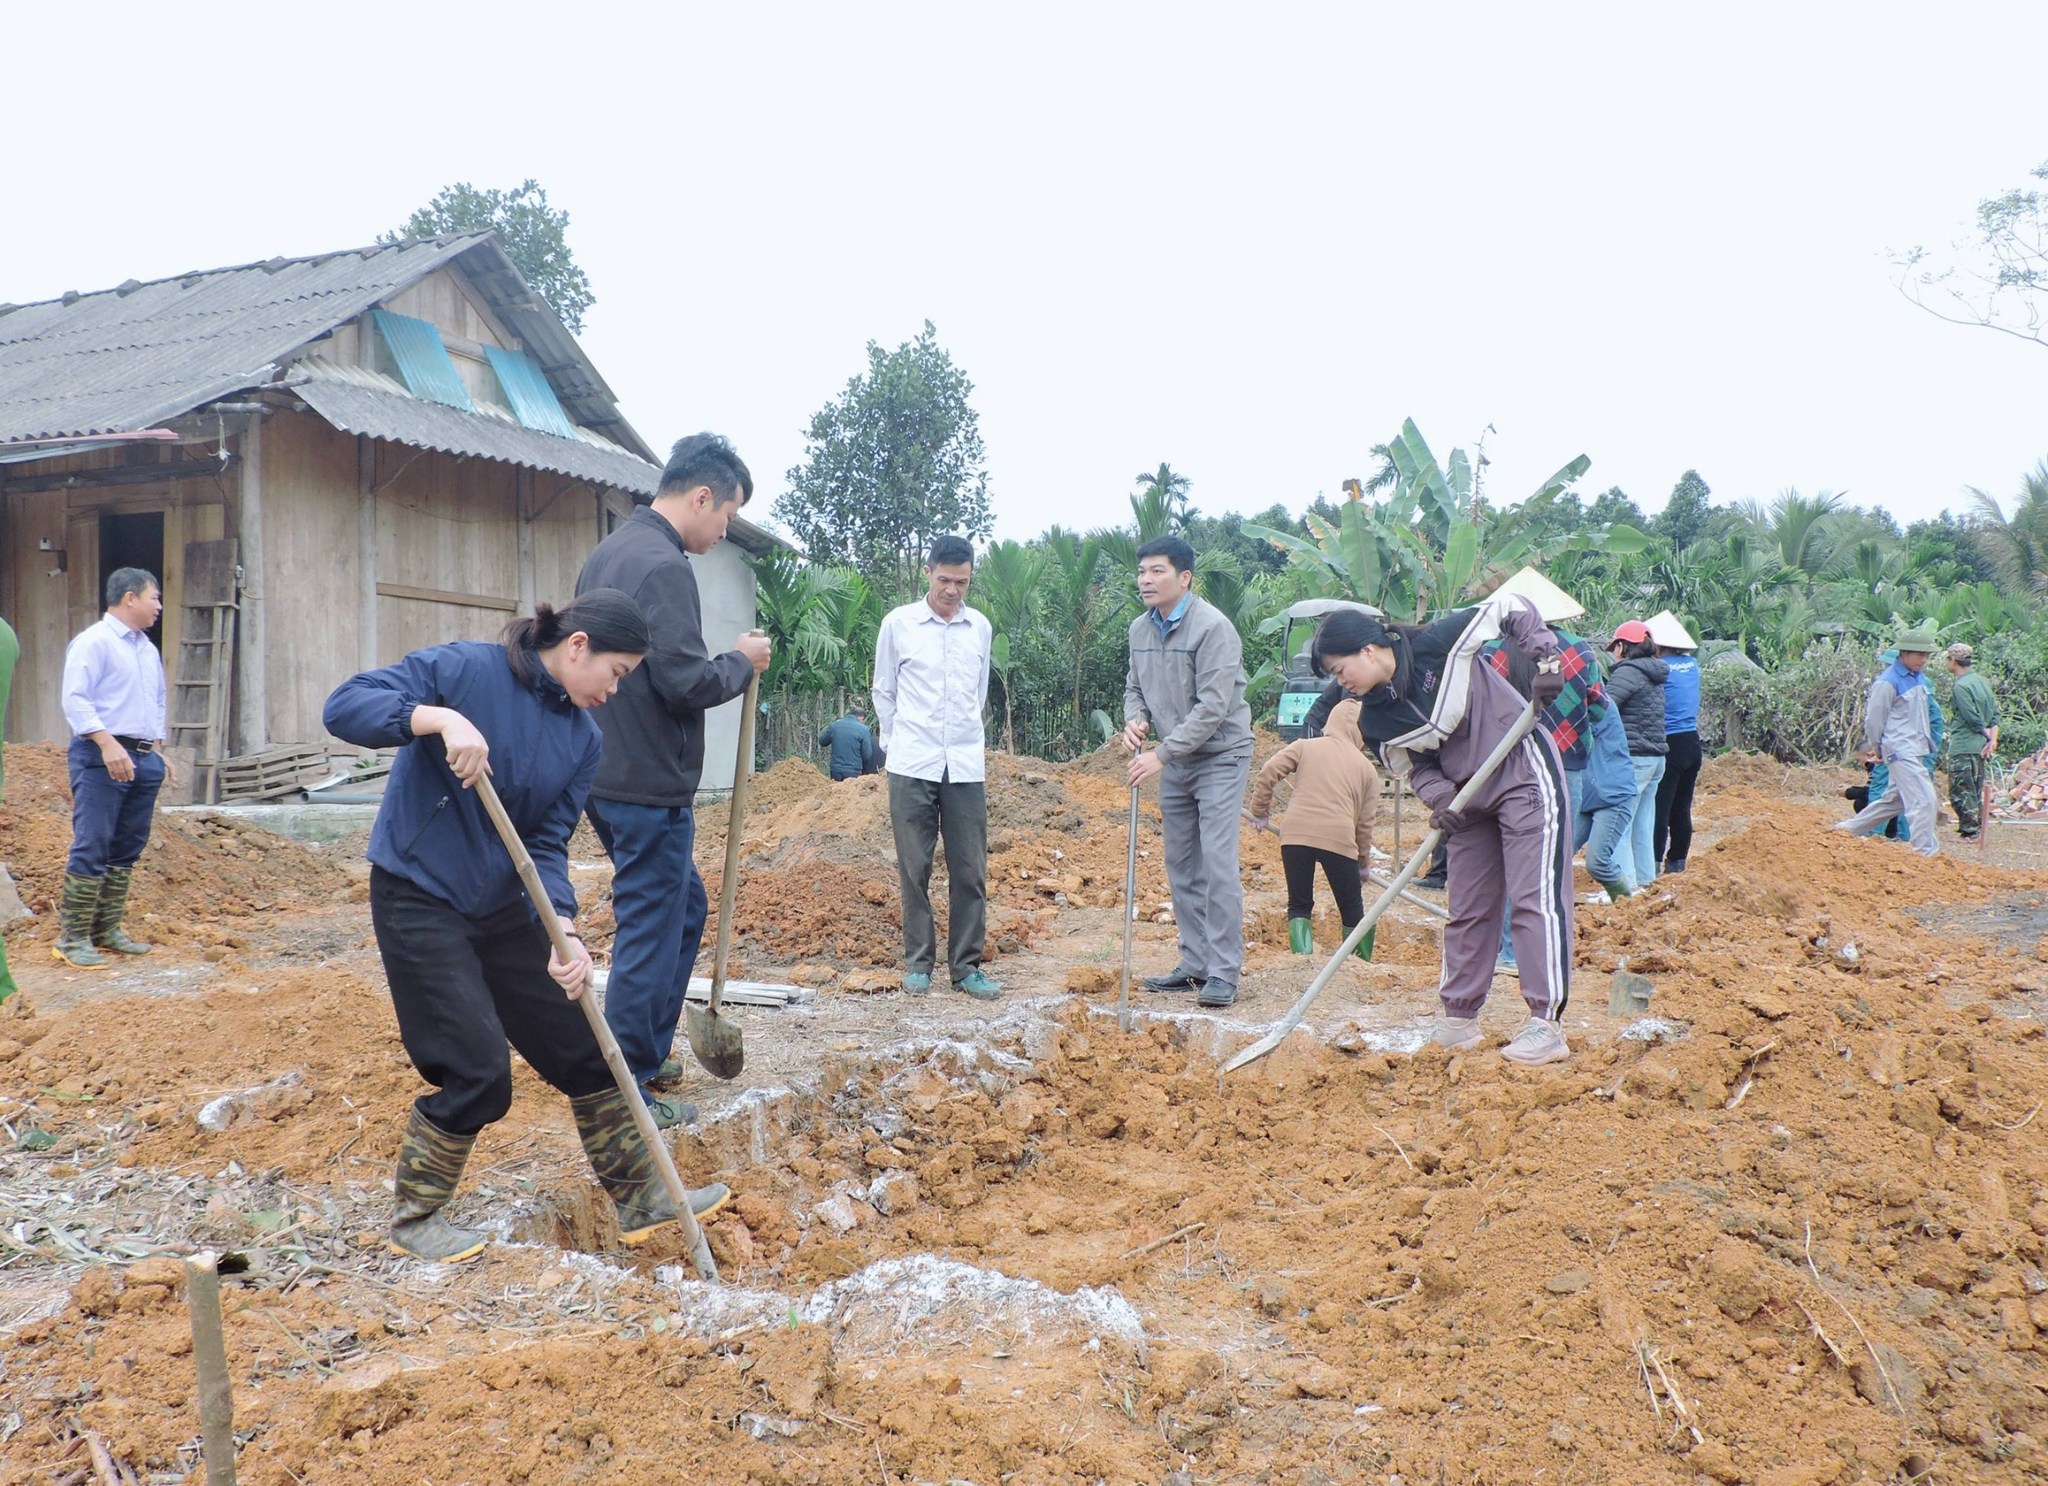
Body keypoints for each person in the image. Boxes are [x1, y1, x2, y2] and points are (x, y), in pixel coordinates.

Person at [322, 591, 730, 1262]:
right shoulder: (465, 672)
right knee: (479, 1069)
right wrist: (438, 720)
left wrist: (562, 928)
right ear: (577, 647)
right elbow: (345, 706)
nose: (616, 689)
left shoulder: (582, 738)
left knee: (588, 1045)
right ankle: (416, 1217)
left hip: (504, 904)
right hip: (420, 893)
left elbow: (544, 843)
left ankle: (644, 1198)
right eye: (618, 672)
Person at [575, 434, 772, 1127]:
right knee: (654, 923)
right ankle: (624, 1087)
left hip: (608, 768)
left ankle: (649, 1049)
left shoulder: (611, 551)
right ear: (700, 497)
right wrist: (742, 661)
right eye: (726, 516)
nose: (724, 532)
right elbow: (685, 681)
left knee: (680, 906)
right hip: (644, 778)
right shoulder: (662, 567)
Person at [1311, 597, 1573, 1064]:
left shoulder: (1440, 645)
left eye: (1339, 668)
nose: (1341, 681)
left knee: (1533, 896)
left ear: (1368, 649)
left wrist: (1546, 659)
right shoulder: (1376, 720)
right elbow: (1416, 769)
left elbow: (1511, 605)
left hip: (1521, 772)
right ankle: (1459, 1018)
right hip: (1466, 802)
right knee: (1467, 908)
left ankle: (1545, 1023)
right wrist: (1440, 800)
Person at [1121, 536, 1254, 1009]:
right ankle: (1195, 962)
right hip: (1177, 758)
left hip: (1220, 755)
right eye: (1142, 572)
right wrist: (1136, 719)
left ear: (1184, 578)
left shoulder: (1212, 628)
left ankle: (1223, 971)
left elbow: (1214, 707)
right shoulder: (1140, 629)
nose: (1145, 580)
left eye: (1157, 571)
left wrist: (1160, 755)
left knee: (1217, 861)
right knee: (1181, 863)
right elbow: (1134, 686)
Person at [873, 536, 1000, 1000]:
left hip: (964, 763)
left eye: (961, 581)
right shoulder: (899, 624)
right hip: (912, 762)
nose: (951, 590)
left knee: (970, 867)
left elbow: (979, 690)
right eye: (944, 579)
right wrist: (896, 744)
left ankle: (966, 967)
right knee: (914, 865)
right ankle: (918, 962)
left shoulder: (980, 628)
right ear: (928, 573)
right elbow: (883, 690)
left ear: (970, 578)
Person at [54, 568, 177, 969]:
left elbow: (155, 702)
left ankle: (106, 930)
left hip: (141, 756)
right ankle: (72, 939)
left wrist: (155, 750)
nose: (158, 606)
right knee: (93, 842)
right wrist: (107, 744)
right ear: (129, 598)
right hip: (100, 755)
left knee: (127, 847)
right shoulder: (95, 642)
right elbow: (76, 700)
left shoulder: (145, 648)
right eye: (154, 598)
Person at [1484, 614, 1605, 975]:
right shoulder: (1580, 651)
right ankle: (1546, 953)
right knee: (1552, 862)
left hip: (1506, 762)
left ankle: (1507, 952)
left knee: (1507, 861)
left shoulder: (1490, 652)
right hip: (1564, 761)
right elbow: (1598, 707)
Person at [1247, 696, 1380, 960]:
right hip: (1339, 842)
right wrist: (1363, 863)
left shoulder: (1305, 746)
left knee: (1299, 904)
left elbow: (1268, 771)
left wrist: (1259, 812)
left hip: (1295, 837)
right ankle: (1358, 965)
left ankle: (1302, 961)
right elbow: (1364, 826)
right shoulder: (1367, 769)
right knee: (1352, 909)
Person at [1833, 628, 1940, 857]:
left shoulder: (1917, 678)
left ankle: (1843, 831)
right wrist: (1878, 747)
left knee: (1894, 801)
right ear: (1904, 653)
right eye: (1920, 654)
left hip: (1914, 748)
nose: (1924, 659)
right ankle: (1925, 853)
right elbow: (1874, 719)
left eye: (1927, 655)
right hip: (1900, 750)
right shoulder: (1888, 681)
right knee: (1924, 799)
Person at [1604, 622, 1669, 892]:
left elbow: (1603, 709)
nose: (1613, 653)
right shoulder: (1654, 673)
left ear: (1623, 647)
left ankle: (1624, 888)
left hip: (1634, 758)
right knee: (1643, 822)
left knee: (1619, 823)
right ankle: (1645, 882)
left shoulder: (1627, 673)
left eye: (1615, 647)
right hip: (1655, 758)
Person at [1647, 611, 1701, 873]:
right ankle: (1677, 860)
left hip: (1669, 742)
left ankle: (1653, 862)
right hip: (1692, 741)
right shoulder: (1692, 666)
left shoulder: (1659, 668)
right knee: (1682, 807)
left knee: (1659, 808)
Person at [1944, 642, 2000, 841]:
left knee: (1960, 790)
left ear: (1953, 661)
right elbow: (1995, 715)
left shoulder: (1961, 685)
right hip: (1979, 746)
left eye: (1947, 659)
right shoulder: (1981, 681)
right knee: (1974, 789)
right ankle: (1972, 830)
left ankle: (1971, 831)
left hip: (1964, 744)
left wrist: (1987, 736)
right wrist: (1992, 740)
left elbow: (1971, 717)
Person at [818, 704, 879, 782]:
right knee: (851, 793)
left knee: (836, 792)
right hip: (853, 771)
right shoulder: (863, 729)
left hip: (835, 770)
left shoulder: (835, 725)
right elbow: (867, 755)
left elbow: (822, 742)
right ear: (861, 718)